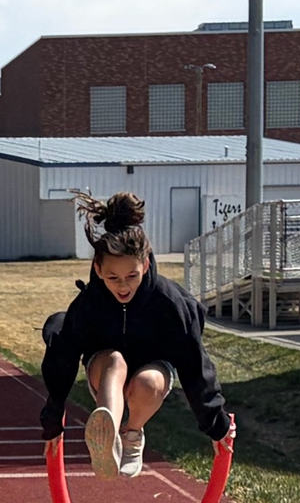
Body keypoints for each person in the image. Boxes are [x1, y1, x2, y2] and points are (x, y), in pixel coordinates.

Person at [40, 191, 235, 480]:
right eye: (112, 278)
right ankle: (108, 433)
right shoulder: (89, 304)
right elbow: (63, 359)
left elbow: (195, 366)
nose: (122, 287)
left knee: (148, 381)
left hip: (154, 368)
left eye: (131, 276)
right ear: (98, 269)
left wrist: (217, 427)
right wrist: (53, 422)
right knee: (115, 361)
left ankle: (131, 435)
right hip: (103, 367)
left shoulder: (170, 303)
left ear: (145, 265)